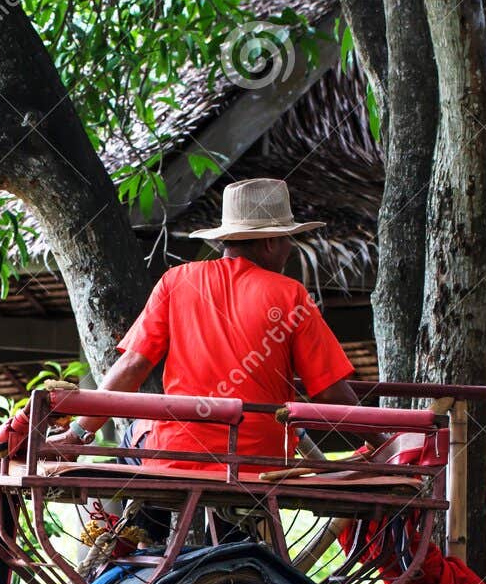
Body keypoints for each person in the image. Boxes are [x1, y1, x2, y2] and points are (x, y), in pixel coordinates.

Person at [59, 177, 369, 466]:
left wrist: (78, 432)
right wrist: (382, 440)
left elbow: (132, 367)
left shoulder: (176, 281)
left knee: (135, 437)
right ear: (270, 243)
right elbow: (330, 392)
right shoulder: (292, 295)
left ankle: (140, 524)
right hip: (261, 460)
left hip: (178, 451)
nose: (290, 248)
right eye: (288, 238)